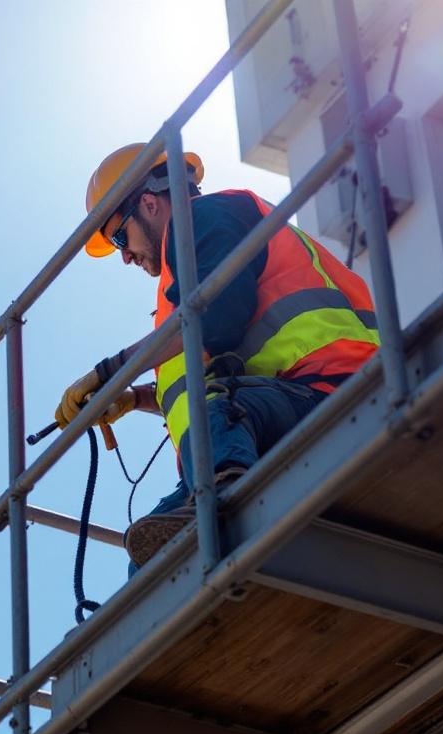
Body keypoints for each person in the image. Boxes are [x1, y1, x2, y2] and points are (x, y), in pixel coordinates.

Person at [55, 144, 381, 567]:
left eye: (120, 236)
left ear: (149, 204)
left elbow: (216, 322)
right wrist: (134, 398)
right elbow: (217, 358)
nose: (125, 256)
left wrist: (109, 372)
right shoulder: (187, 271)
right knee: (145, 559)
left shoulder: (207, 218)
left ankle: (224, 503)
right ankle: (210, 504)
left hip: (333, 389)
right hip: (282, 403)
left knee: (215, 416)